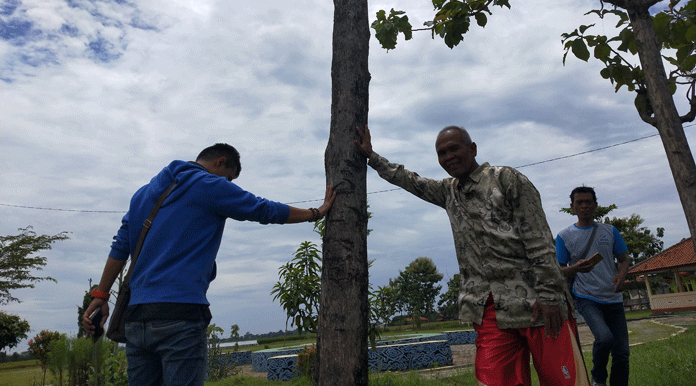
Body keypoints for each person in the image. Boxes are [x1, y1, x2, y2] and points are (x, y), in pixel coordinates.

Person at [82, 143, 336, 386]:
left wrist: (101, 295)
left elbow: (120, 247)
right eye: (229, 178)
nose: (227, 185)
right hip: (179, 315)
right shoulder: (210, 186)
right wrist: (316, 212)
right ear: (220, 162)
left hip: (136, 319)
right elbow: (263, 209)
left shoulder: (143, 195)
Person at [354, 124, 588, 386]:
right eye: (441, 153)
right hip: (489, 309)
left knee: (564, 381)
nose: (448, 157)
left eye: (454, 148)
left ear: (472, 148)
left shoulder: (506, 179)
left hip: (539, 303)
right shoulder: (449, 192)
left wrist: (548, 294)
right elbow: (411, 181)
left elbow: (539, 239)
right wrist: (372, 157)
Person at [556, 186, 630, 386]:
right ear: (572, 207)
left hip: (613, 296)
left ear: (596, 205)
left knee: (622, 352)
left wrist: (622, 276)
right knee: (605, 339)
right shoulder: (564, 236)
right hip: (586, 297)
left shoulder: (610, 231)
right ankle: (598, 378)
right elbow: (558, 270)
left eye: (588, 202)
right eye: (579, 202)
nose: (584, 206)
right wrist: (576, 268)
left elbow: (624, 260)